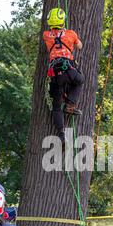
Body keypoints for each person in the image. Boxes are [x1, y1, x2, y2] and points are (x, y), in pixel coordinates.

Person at [43, 8, 84, 144]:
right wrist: (71, 38)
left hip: (55, 73)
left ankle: (61, 134)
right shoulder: (71, 34)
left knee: (56, 106)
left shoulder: (46, 35)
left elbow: (52, 36)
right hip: (68, 69)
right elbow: (80, 46)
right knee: (80, 80)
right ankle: (70, 105)